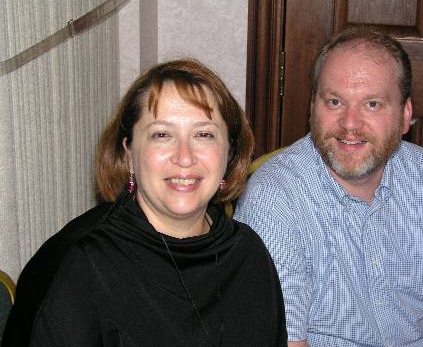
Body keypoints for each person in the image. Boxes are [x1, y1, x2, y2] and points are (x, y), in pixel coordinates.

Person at [234, 27, 423, 347]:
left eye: (372, 104)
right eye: (334, 101)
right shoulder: (272, 201)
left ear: (404, 115)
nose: (350, 124)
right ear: (313, 107)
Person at [15, 59, 286, 346]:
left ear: (229, 153)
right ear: (129, 153)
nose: (184, 157)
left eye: (203, 135)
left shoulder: (247, 253)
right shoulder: (83, 266)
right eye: (162, 135)